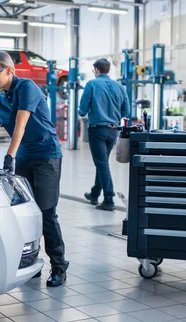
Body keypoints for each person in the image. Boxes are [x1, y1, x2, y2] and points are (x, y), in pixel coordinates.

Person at [0, 51, 69, 287]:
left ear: (9, 70)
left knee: (47, 212)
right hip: (25, 157)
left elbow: (21, 124)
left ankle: (59, 266)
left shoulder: (26, 87)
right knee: (28, 211)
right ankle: (32, 263)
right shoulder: (0, 100)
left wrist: (9, 156)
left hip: (47, 156)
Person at [78, 58, 130, 211]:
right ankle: (94, 194)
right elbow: (126, 112)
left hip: (97, 130)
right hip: (113, 131)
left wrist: (86, 112)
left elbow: (82, 109)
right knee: (102, 163)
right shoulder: (119, 87)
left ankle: (109, 199)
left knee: (101, 164)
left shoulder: (92, 84)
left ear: (96, 69)